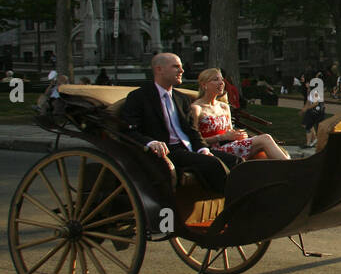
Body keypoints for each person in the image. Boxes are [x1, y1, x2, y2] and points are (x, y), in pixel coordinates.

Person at [119, 53, 238, 195]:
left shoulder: (182, 98)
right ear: (159, 70)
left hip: (189, 148)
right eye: (176, 67)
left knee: (237, 161)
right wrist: (151, 142)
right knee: (214, 164)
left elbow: (192, 130)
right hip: (166, 152)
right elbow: (128, 130)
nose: (182, 71)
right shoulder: (139, 97)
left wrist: (203, 149)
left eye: (181, 67)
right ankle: (233, 206)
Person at [191, 68, 289, 160]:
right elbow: (194, 139)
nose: (221, 83)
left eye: (222, 79)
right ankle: (294, 169)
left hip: (230, 145)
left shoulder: (224, 106)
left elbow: (230, 132)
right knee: (265, 139)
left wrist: (237, 135)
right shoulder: (197, 108)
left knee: (267, 152)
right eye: (216, 80)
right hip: (212, 151)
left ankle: (286, 170)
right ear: (204, 85)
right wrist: (221, 137)